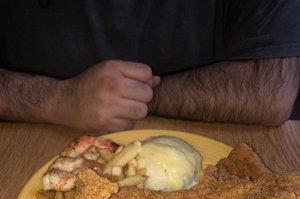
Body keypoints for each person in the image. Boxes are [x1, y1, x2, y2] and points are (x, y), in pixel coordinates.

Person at [0, 1, 299, 133]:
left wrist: (132, 98)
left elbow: (270, 92)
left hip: (228, 148)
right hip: (32, 144)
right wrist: (57, 98)